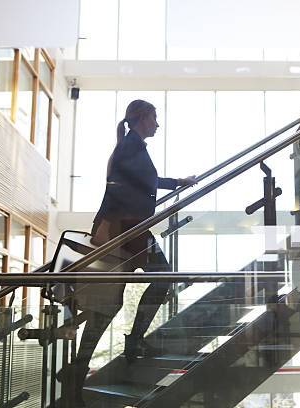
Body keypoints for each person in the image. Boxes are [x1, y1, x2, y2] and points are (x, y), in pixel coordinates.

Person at [60, 99, 195, 407]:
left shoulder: (132, 146)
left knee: (117, 301)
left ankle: (83, 368)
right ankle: (108, 354)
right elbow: (125, 185)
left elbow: (141, 182)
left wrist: (178, 182)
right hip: (123, 231)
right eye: (154, 118)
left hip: (128, 230)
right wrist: (174, 183)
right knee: (119, 299)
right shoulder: (129, 147)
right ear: (141, 118)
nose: (157, 124)